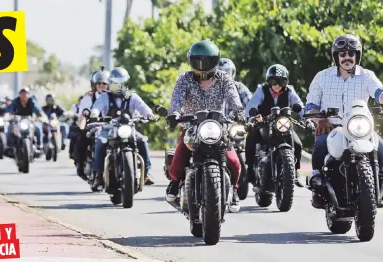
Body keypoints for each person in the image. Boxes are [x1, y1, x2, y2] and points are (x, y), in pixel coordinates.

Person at [305, 34, 383, 209]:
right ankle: (317, 186)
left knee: (380, 145)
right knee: (320, 143)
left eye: (351, 54)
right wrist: (320, 120)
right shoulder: (322, 77)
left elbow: (380, 92)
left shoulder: (367, 76)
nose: (347, 57)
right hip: (332, 127)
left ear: (357, 56)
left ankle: (377, 183)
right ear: (336, 57)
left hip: (360, 127)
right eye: (342, 54)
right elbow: (311, 105)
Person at [166, 39, 246, 213]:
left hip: (218, 127)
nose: (201, 66)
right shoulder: (184, 79)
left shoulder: (224, 79)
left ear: (214, 61)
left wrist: (239, 113)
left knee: (234, 162)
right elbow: (176, 100)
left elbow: (234, 99)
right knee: (178, 162)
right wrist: (174, 114)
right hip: (192, 127)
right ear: (191, 61)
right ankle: (174, 184)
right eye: (197, 61)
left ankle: (234, 191)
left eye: (206, 61)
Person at [244, 64, 313, 187]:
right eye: (274, 81)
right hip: (264, 122)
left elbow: (299, 105)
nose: (277, 85)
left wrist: (306, 120)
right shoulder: (261, 89)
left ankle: (295, 172)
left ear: (285, 82)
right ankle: (249, 170)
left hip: (283, 124)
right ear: (269, 81)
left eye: (281, 81)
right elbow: (251, 105)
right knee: (251, 137)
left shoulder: (290, 90)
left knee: (297, 144)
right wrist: (251, 118)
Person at [90, 67, 157, 189]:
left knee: (143, 140)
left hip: (128, 128)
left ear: (126, 84)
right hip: (109, 128)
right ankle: (98, 175)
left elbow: (143, 107)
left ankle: (146, 173)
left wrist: (150, 115)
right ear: (111, 84)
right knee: (100, 142)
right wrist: (94, 114)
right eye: (115, 83)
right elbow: (96, 107)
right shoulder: (105, 97)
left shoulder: (132, 96)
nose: (118, 86)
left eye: (121, 83)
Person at [75, 67, 110, 180]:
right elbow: (83, 113)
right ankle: (80, 166)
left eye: (104, 83)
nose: (101, 86)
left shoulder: (112, 96)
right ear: (94, 85)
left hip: (109, 127)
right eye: (99, 83)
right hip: (92, 126)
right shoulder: (89, 97)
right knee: (81, 139)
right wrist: (82, 126)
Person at [4, 88, 46, 156]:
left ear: (28, 94)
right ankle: (9, 147)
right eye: (22, 93)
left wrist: (42, 117)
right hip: (18, 122)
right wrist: (7, 116)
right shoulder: (16, 101)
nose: (24, 95)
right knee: (10, 129)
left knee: (38, 128)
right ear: (19, 94)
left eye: (26, 93)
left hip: (30, 121)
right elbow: (9, 110)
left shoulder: (31, 101)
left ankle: (39, 147)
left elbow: (38, 110)